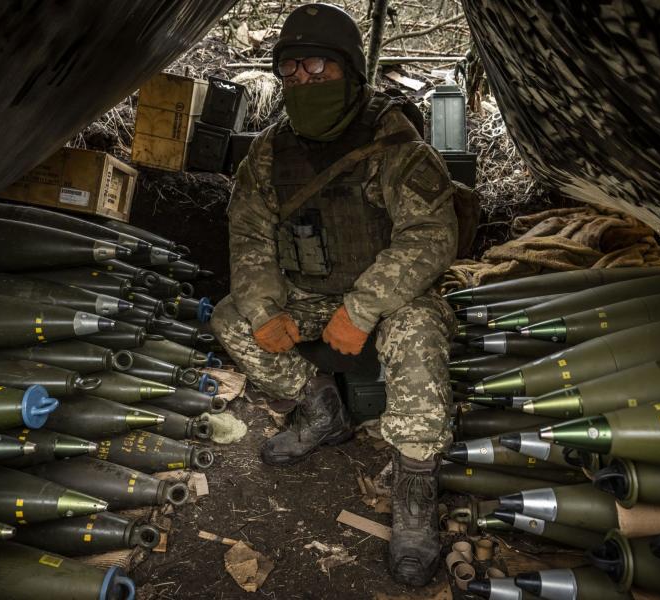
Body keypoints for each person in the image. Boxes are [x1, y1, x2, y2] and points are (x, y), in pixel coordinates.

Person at [210, 3, 459, 586]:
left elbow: (429, 239)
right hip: (310, 293)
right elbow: (248, 235)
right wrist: (265, 307)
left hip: (390, 299)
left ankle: (416, 488)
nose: (303, 81)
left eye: (317, 67)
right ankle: (322, 409)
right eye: (291, 70)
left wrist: (363, 308)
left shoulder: (396, 147)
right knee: (230, 319)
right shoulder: (268, 154)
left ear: (349, 71)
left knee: (420, 331)